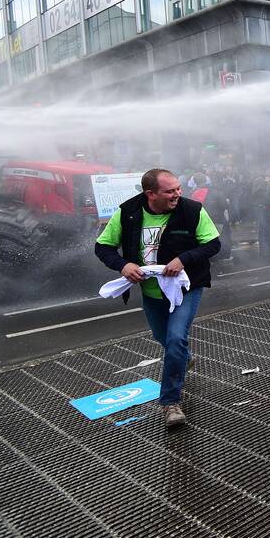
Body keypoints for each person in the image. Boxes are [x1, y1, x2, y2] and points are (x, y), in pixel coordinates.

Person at [94, 168, 222, 428]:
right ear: (150, 194)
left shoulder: (192, 210)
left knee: (176, 339)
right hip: (152, 292)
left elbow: (213, 245)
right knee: (165, 339)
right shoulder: (128, 212)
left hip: (186, 289)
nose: (177, 194)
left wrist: (182, 260)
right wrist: (123, 265)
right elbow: (102, 247)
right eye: (170, 191)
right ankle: (183, 359)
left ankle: (170, 403)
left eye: (178, 189)